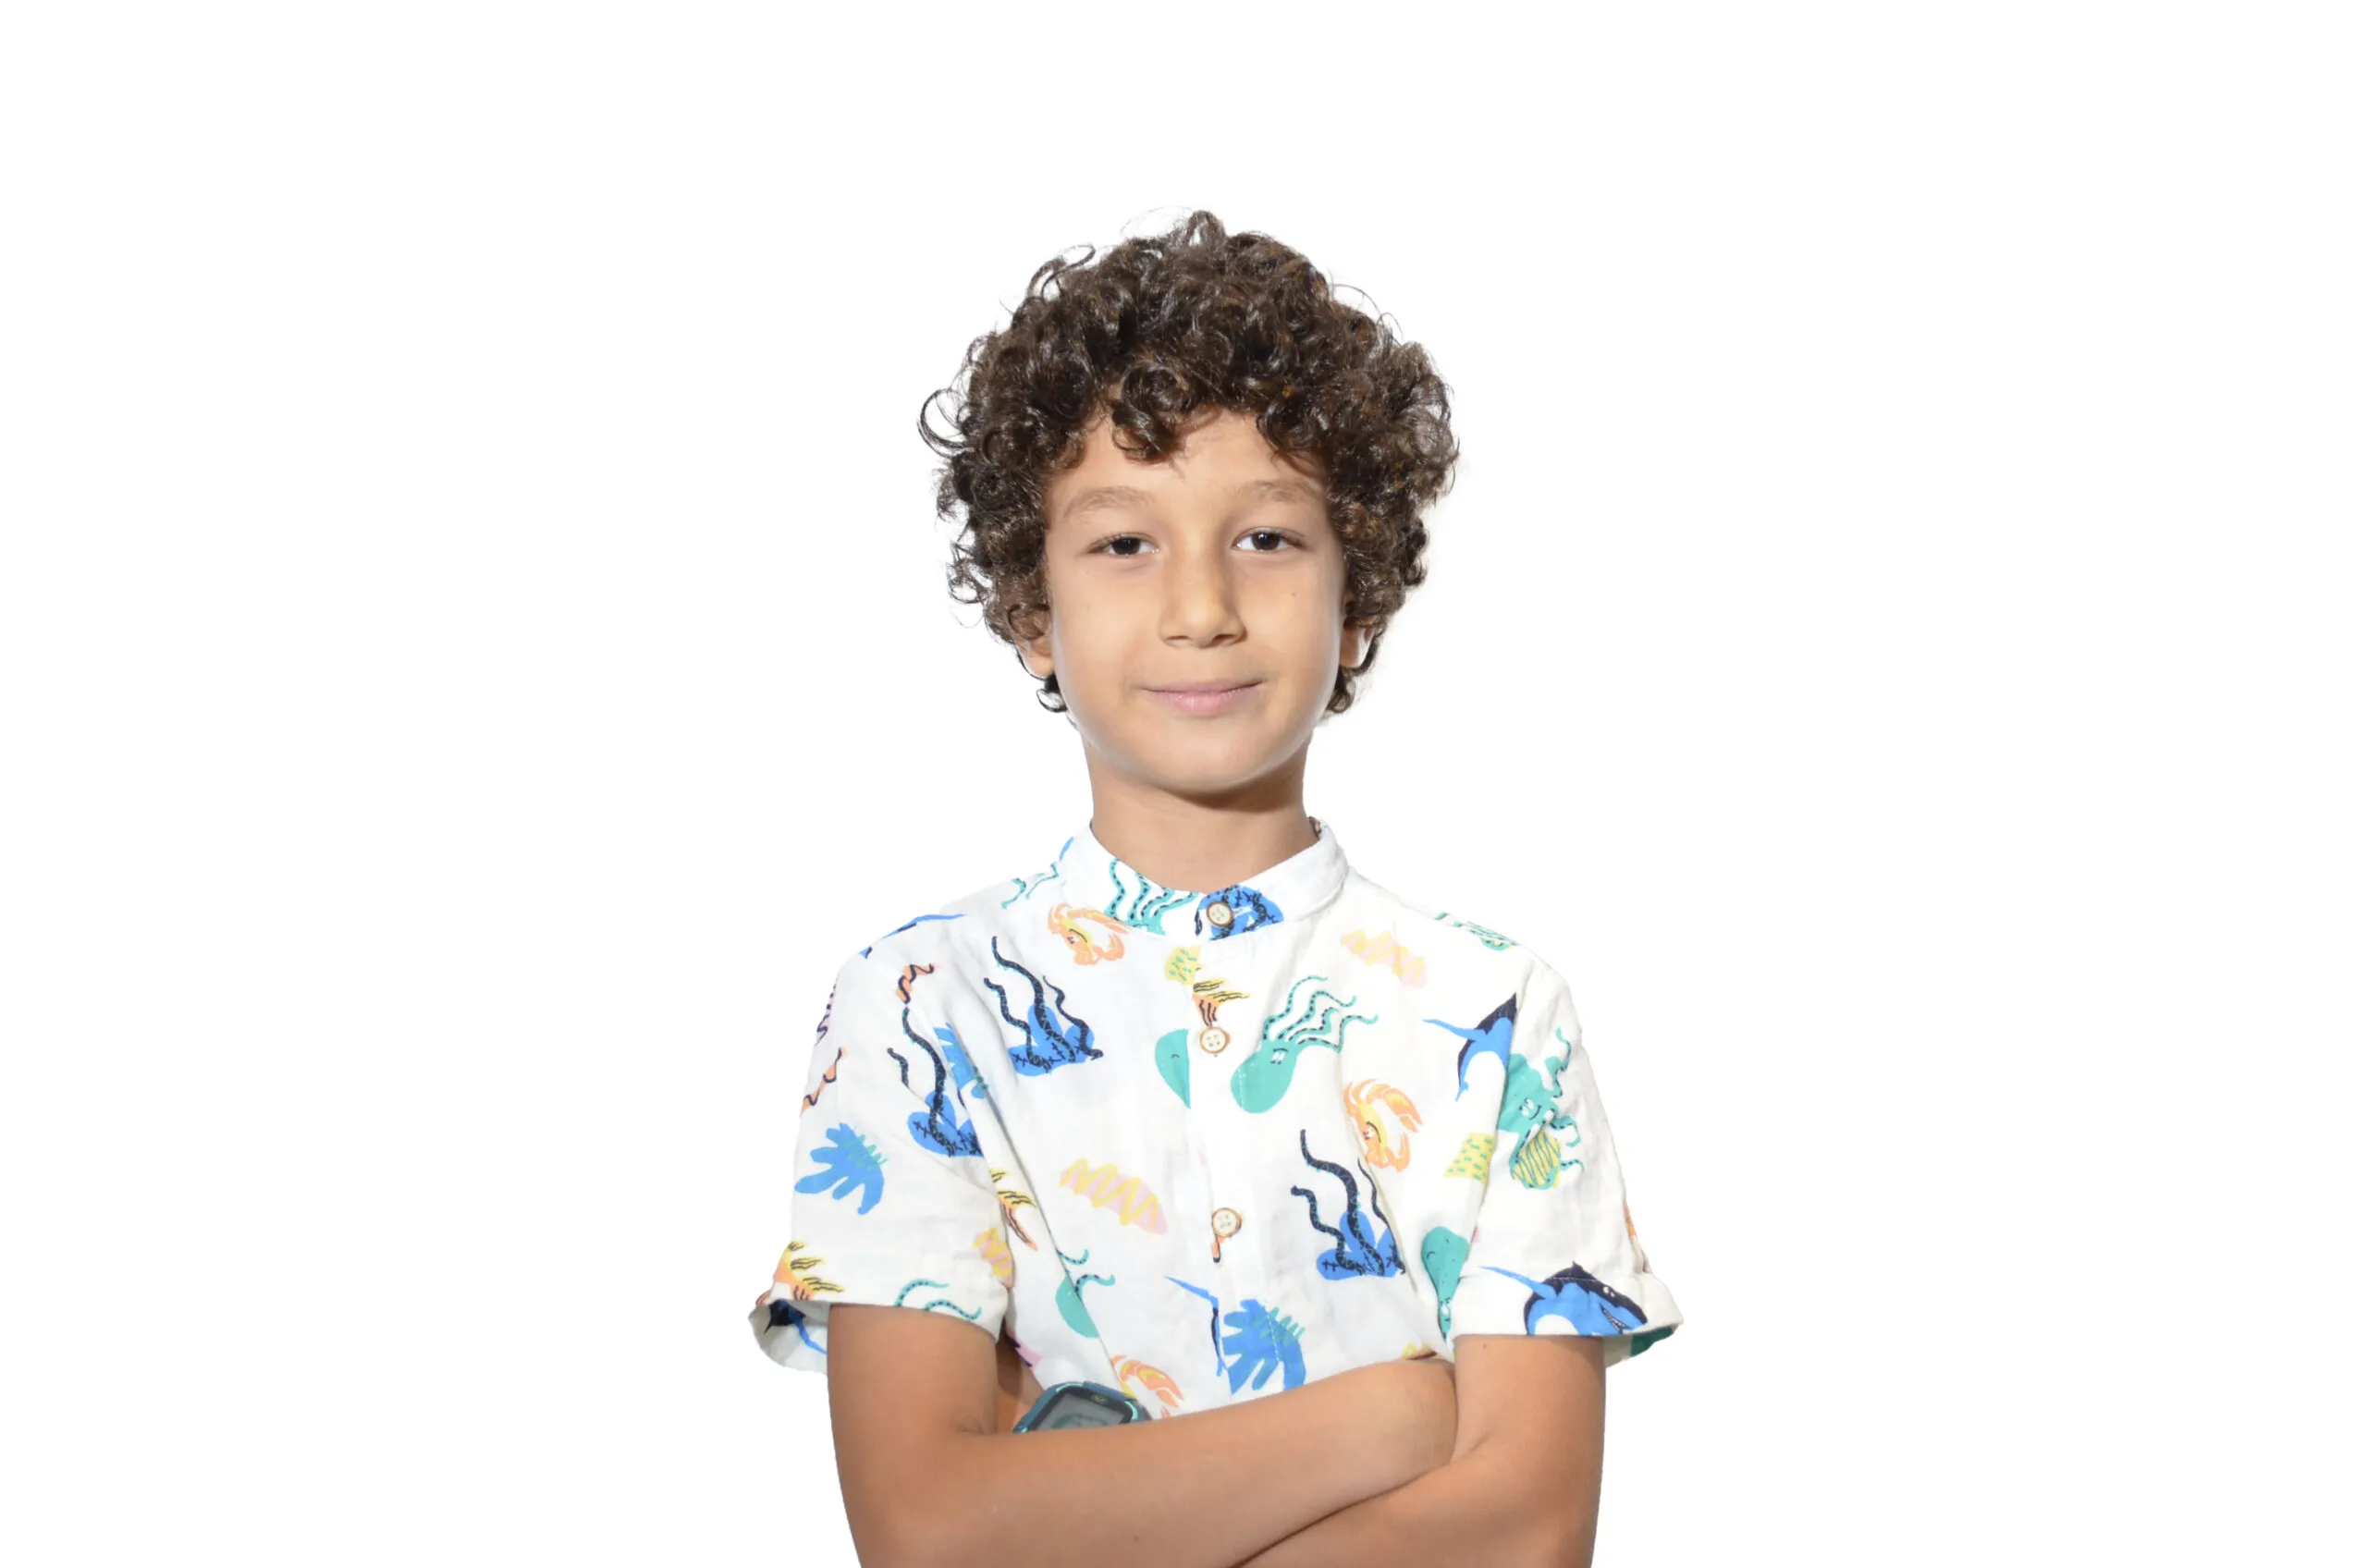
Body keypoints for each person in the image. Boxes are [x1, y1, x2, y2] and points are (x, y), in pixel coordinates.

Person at [747, 210, 1683, 1567]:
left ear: (1361, 598)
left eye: (1269, 539)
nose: (1201, 608)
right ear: (1030, 612)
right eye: (1124, 545)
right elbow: (929, 1533)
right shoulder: (921, 1006)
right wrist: (1402, 1413)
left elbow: (1529, 1532)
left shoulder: (1497, 1013)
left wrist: (1075, 1507)